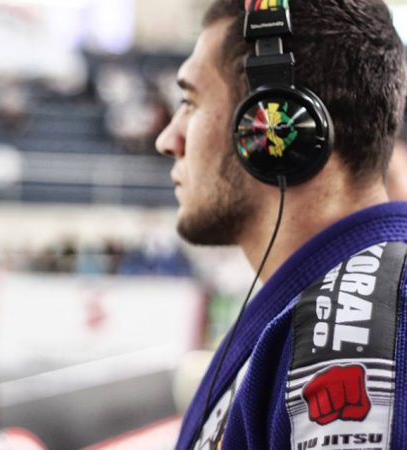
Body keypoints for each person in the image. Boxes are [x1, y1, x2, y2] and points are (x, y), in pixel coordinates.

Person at [155, 1, 407, 449]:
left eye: (191, 102)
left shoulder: (352, 331)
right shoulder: (329, 309)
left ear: (271, 126)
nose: (167, 139)